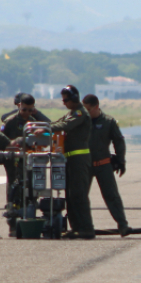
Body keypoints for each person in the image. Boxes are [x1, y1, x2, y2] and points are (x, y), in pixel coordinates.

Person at [83, 94, 133, 236]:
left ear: (96, 107)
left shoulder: (108, 122)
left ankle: (123, 225)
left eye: (88, 109)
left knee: (112, 196)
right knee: (80, 197)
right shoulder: (81, 121)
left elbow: (119, 141)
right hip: (85, 165)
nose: (85, 112)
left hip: (103, 164)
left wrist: (121, 160)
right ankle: (83, 228)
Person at [50, 85, 96, 239]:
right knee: (70, 195)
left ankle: (87, 228)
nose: (64, 103)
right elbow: (58, 122)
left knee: (79, 194)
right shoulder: (71, 113)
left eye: (66, 100)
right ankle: (76, 227)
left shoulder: (80, 113)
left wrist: (46, 128)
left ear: (74, 98)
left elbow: (64, 126)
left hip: (79, 159)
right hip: (69, 159)